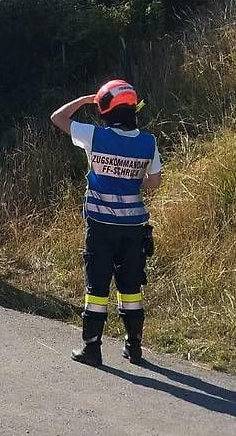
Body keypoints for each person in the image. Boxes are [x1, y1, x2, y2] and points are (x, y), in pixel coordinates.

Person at [50, 80, 162, 366]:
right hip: (134, 228)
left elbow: (58, 118)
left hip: (101, 226)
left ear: (105, 109)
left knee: (97, 289)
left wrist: (84, 100)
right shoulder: (149, 142)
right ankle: (134, 348)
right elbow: (153, 183)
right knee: (131, 289)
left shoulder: (94, 136)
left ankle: (92, 349)